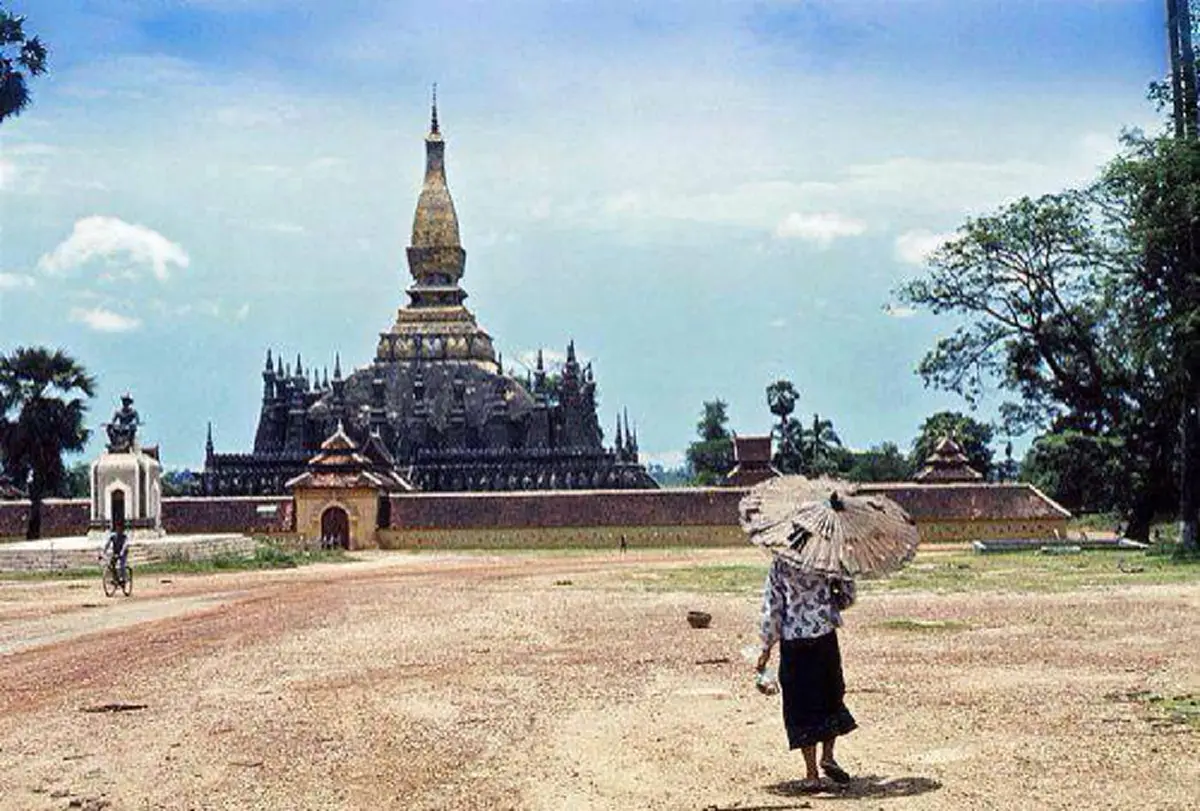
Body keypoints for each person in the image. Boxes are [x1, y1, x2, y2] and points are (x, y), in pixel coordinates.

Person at [755, 554, 857, 792]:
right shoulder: (829, 557)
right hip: (824, 636)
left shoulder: (781, 563)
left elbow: (773, 609)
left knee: (800, 704)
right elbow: (848, 595)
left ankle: (812, 773)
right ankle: (828, 757)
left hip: (794, 642)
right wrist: (828, 598)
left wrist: (765, 648)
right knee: (830, 694)